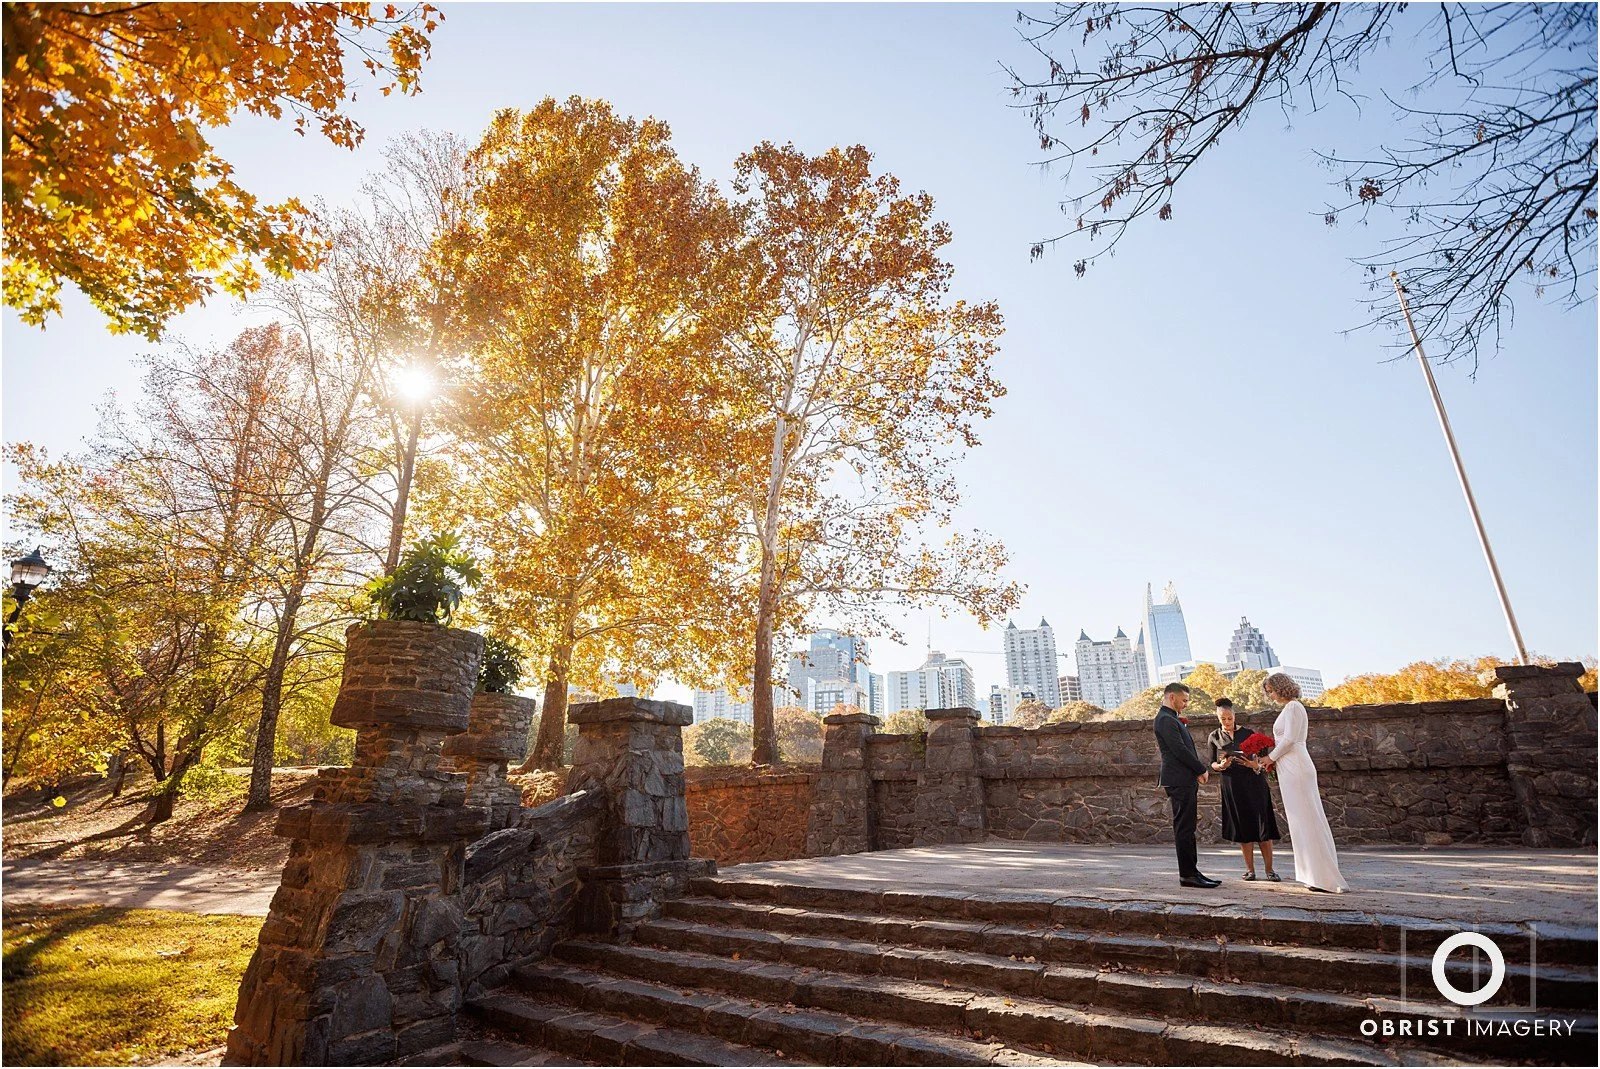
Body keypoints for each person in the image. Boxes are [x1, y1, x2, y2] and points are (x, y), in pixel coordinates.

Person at [1258, 673, 1349, 893]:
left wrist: (1270, 758)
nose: (1269, 695)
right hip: (1290, 765)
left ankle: (1323, 876)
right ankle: (1314, 873)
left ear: (1280, 687)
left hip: (1296, 764)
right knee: (1301, 821)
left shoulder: (1293, 707)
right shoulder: (1290, 708)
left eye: (1270, 690)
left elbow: (1289, 739)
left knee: (1307, 818)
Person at [1208, 697, 1282, 881]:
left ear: (1234, 716)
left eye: (1229, 718)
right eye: (1223, 719)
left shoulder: (1249, 733)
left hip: (1254, 783)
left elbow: (1264, 762)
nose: (1226, 722)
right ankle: (1250, 871)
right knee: (1243, 829)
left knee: (1262, 827)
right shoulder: (1214, 737)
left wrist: (1253, 765)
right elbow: (1212, 763)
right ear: (1218, 718)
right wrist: (1221, 766)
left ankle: (1270, 870)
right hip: (1232, 785)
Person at [1153, 681, 1218, 888]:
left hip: (1183, 778)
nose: (1186, 704)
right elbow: (1179, 750)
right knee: (1184, 828)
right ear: (1172, 697)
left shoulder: (1171, 718)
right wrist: (1200, 769)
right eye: (1184, 700)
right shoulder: (1164, 719)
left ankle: (1193, 871)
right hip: (1178, 780)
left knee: (1188, 828)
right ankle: (1187, 875)